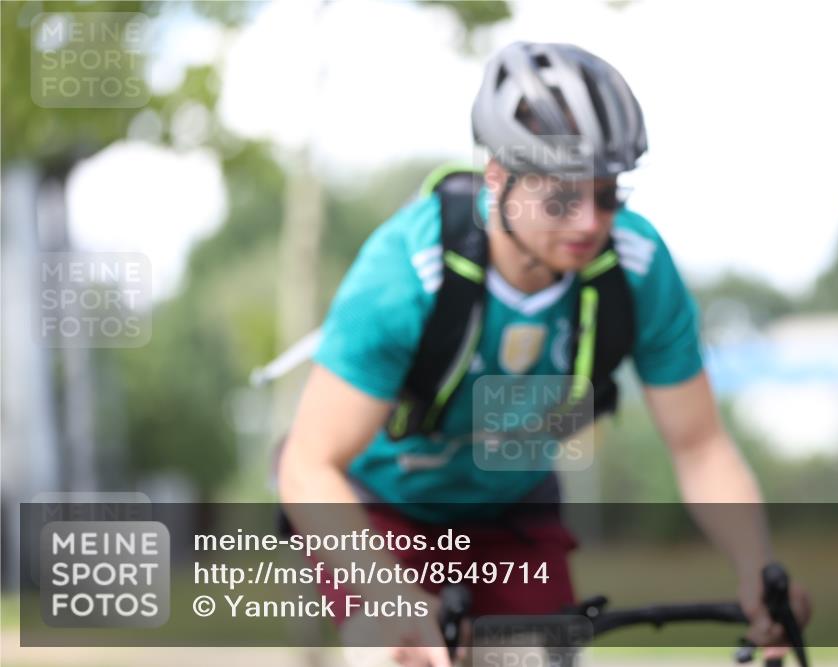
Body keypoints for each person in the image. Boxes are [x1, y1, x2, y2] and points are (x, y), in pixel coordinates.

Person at [278, 41, 809, 667]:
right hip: (382, 512)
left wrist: (756, 569)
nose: (589, 221)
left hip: (514, 510)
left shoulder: (635, 269)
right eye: (561, 196)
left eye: (608, 194)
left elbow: (700, 446)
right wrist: (390, 597)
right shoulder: (405, 275)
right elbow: (307, 467)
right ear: (497, 177)